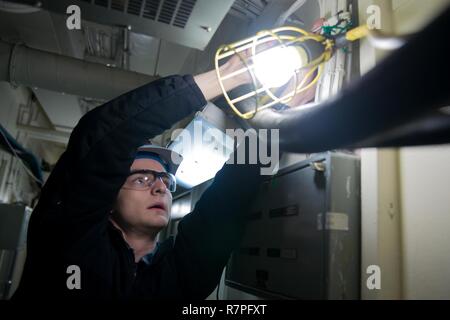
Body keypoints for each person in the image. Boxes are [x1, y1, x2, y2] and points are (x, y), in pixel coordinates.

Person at [11, 56, 269, 300]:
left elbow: (227, 204)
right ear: (108, 200)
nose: (160, 187)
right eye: (141, 180)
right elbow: (104, 139)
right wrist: (226, 76)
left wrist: (274, 120)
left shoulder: (178, 276)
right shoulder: (68, 241)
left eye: (165, 181)